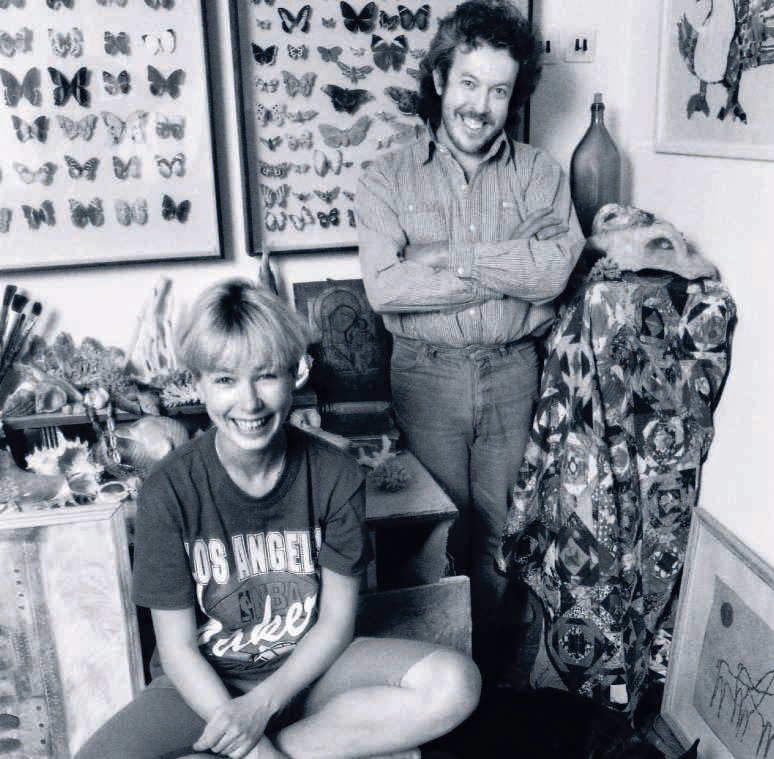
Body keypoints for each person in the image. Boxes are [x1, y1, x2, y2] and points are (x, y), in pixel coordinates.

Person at [75, 279, 481, 759]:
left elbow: (335, 622)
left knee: (454, 682)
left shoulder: (335, 473)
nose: (249, 402)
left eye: (266, 376)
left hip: (312, 670)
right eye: (225, 380)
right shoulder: (168, 490)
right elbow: (178, 649)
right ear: (197, 385)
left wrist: (261, 710)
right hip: (205, 686)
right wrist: (249, 742)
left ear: (296, 374)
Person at [357, 0, 585, 685]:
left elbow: (554, 272)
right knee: (433, 534)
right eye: (468, 83)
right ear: (439, 79)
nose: (480, 106)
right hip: (424, 375)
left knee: (503, 533)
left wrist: (445, 260)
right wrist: (508, 267)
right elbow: (386, 288)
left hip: (516, 372)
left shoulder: (540, 173)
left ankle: (491, 684)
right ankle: (432, 683)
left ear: (515, 96)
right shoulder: (385, 176)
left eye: (499, 90)